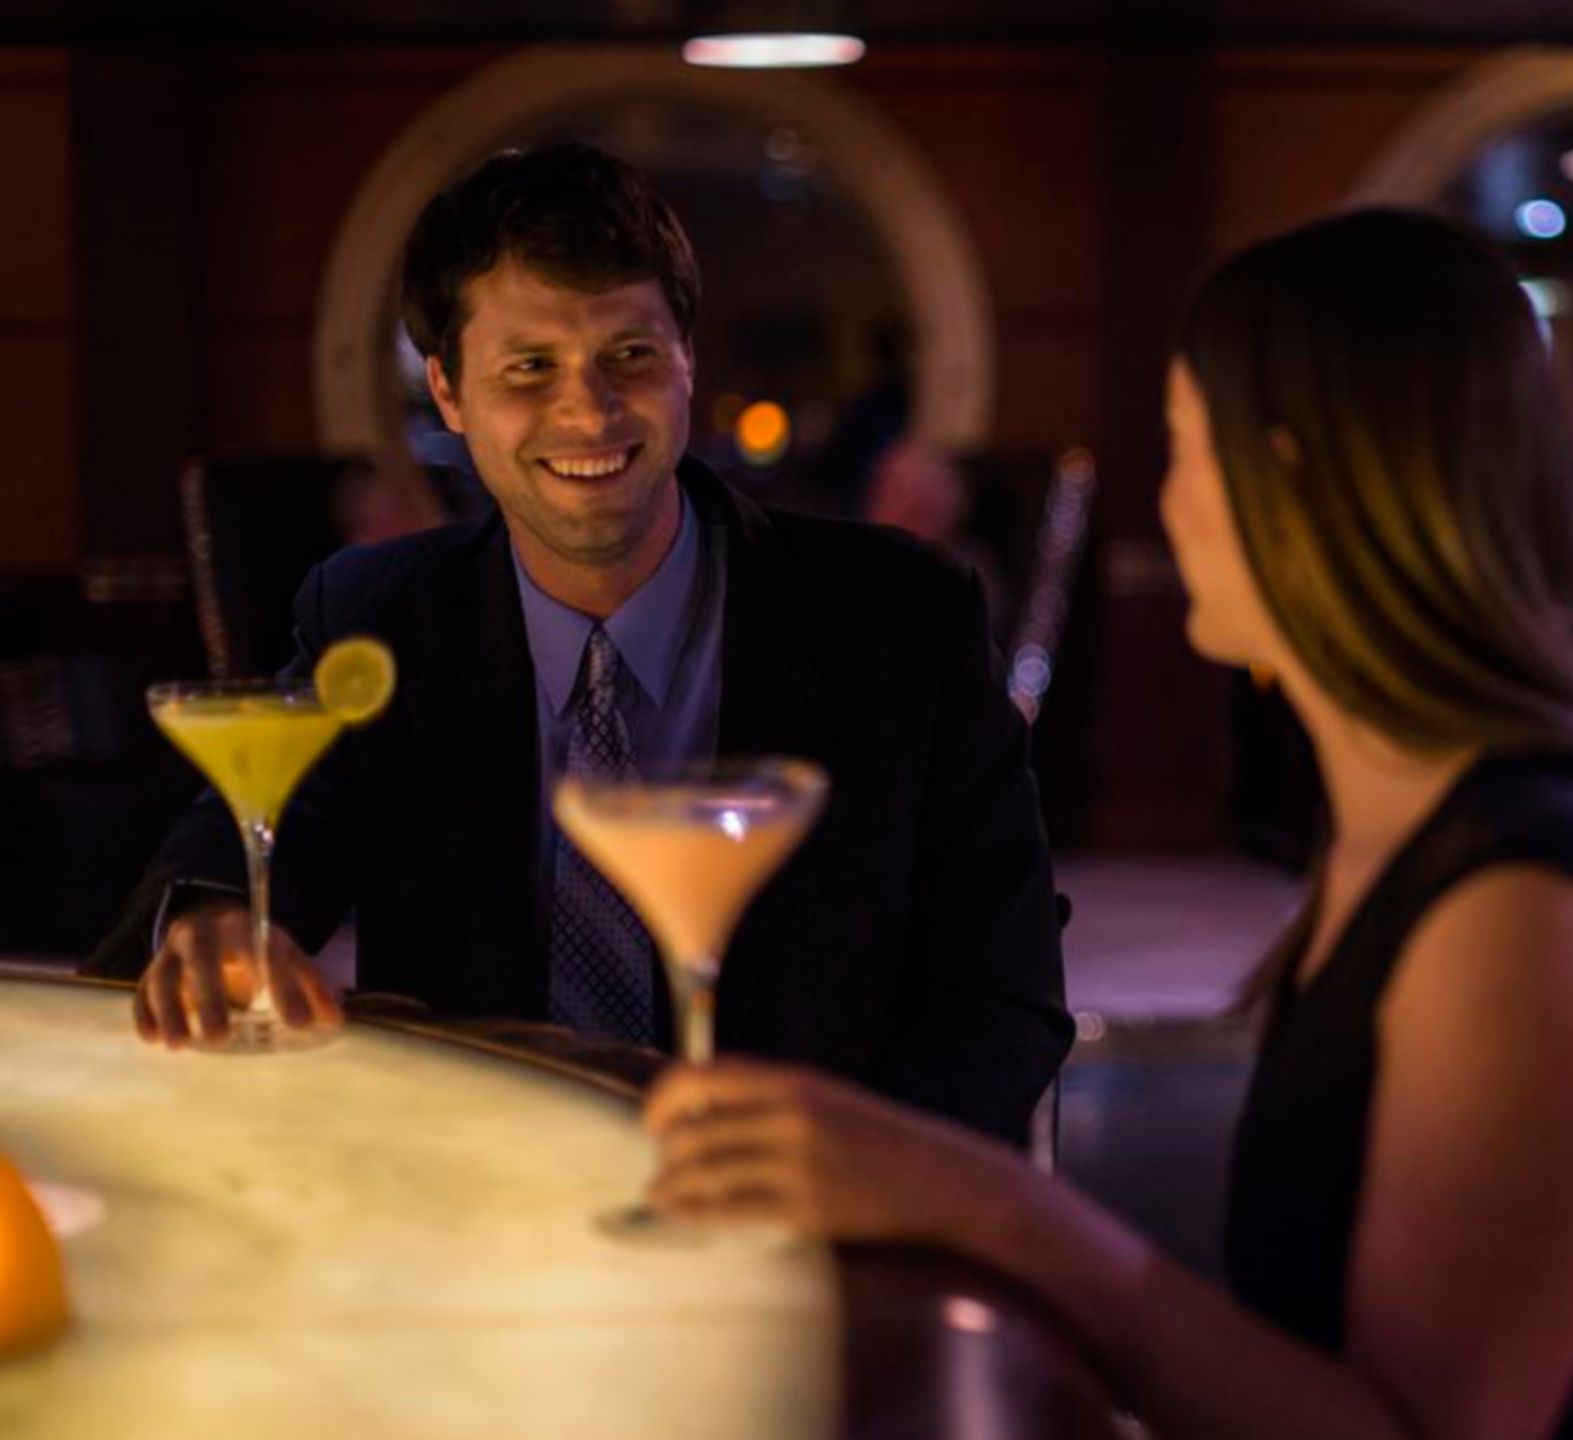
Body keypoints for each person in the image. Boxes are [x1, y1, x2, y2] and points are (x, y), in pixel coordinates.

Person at [638, 209, 1573, 1439]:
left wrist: (992, 1207)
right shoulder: (1416, 821)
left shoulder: (1530, 903)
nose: (1168, 506)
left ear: (1284, 481)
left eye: (1182, 449)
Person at [86, 143, 1070, 1145]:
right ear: (450, 390)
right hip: (481, 1213)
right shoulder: (379, 618)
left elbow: (1005, 998)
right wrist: (211, 925)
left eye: (630, 356)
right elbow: (249, 830)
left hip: (817, 1217)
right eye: (528, 368)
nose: (588, 409)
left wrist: (841, 1176)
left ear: (688, 358)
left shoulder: (900, 617)